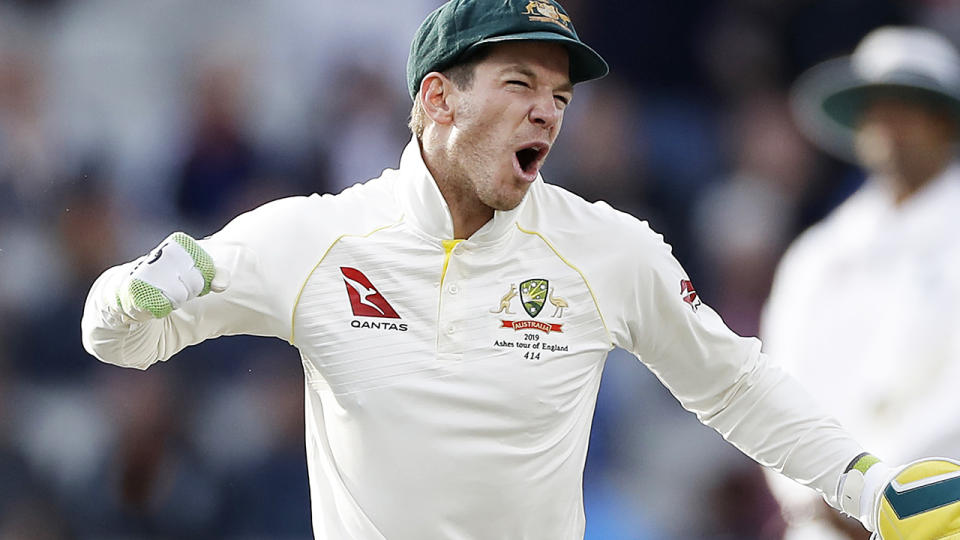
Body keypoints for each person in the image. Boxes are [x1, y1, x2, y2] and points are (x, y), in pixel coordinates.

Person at [81, 2, 960, 538]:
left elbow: (735, 386)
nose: (548, 110)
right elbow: (116, 339)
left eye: (561, 97)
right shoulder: (313, 236)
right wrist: (145, 285)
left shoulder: (607, 247)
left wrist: (873, 487)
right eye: (519, 83)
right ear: (436, 98)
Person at [763, 26, 960, 540]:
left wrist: (884, 495)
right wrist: (817, 497)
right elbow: (776, 387)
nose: (890, 127)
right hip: (822, 521)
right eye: (877, 109)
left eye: (909, 110)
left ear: (945, 124)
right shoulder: (820, 253)